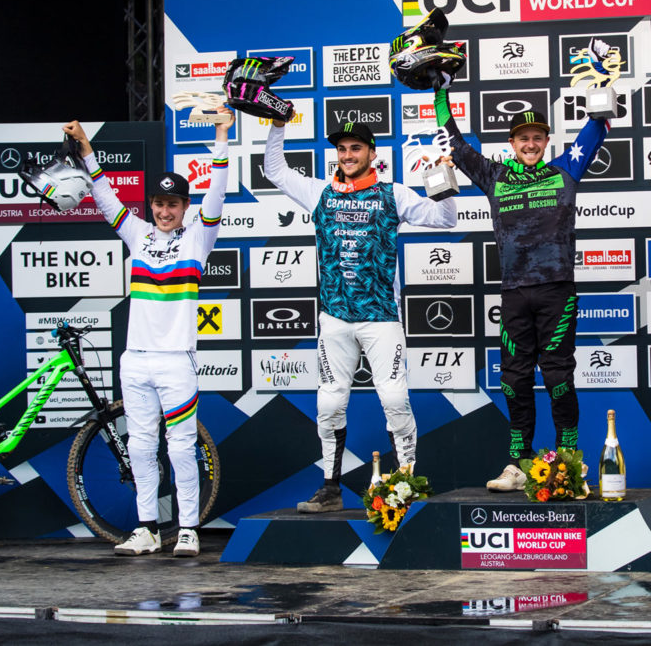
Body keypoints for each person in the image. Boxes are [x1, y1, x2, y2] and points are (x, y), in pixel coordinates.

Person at [263, 118, 457, 512]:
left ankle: (407, 483)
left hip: (380, 316)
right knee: (328, 405)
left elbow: (446, 218)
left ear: (372, 154)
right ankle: (330, 488)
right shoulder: (320, 192)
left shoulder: (392, 193)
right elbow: (275, 170)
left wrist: (445, 177)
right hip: (334, 316)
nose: (348, 155)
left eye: (355, 148)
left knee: (395, 397)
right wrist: (278, 124)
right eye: (342, 149)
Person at [64, 110, 231, 557]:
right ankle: (147, 528)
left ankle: (190, 528)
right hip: (134, 358)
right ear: (150, 206)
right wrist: (86, 149)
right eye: (158, 204)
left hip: (176, 358)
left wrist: (221, 136)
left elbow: (216, 193)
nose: (164, 210)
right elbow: (103, 196)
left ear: (184, 208)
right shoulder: (137, 234)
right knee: (140, 447)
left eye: (172, 204)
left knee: (180, 447)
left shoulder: (199, 238)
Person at [433, 87, 608, 491]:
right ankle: (518, 461)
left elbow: (595, 128)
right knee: (513, 380)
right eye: (522, 138)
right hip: (514, 293)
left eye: (537, 137)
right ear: (510, 143)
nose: (530, 144)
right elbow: (455, 143)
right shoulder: (495, 175)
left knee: (558, 378)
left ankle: (568, 460)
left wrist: (603, 85)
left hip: (557, 291)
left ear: (547, 142)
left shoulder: (566, 169)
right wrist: (441, 90)